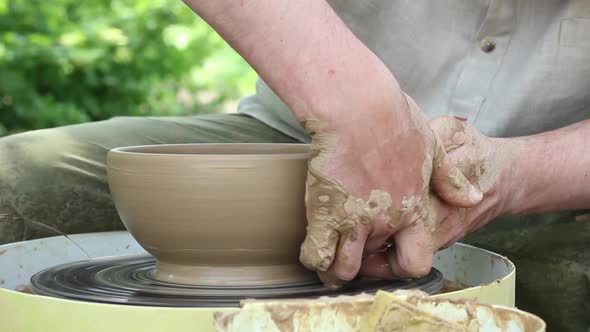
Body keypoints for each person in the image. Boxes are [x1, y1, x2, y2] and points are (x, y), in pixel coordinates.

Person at [0, 1, 588, 330]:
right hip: (300, 128)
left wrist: (514, 177)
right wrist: (354, 103)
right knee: (12, 186)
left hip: (556, 179)